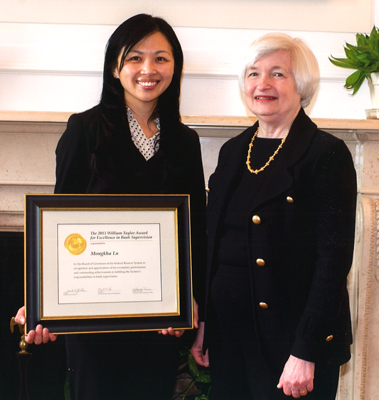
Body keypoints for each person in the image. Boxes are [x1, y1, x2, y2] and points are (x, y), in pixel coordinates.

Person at [15, 14, 206, 400]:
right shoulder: (83, 130)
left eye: (161, 58)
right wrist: (41, 300)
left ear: (176, 67)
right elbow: (57, 224)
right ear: (115, 66)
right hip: (95, 320)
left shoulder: (185, 141)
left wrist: (189, 299)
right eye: (135, 58)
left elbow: (195, 231)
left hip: (160, 322)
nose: (148, 69)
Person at [191, 32, 357, 400]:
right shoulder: (233, 152)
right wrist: (204, 325)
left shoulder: (326, 155)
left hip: (290, 343)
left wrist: (306, 351)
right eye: (253, 74)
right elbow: (214, 244)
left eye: (278, 74)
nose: (262, 84)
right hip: (229, 338)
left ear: (303, 85)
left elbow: (333, 262)